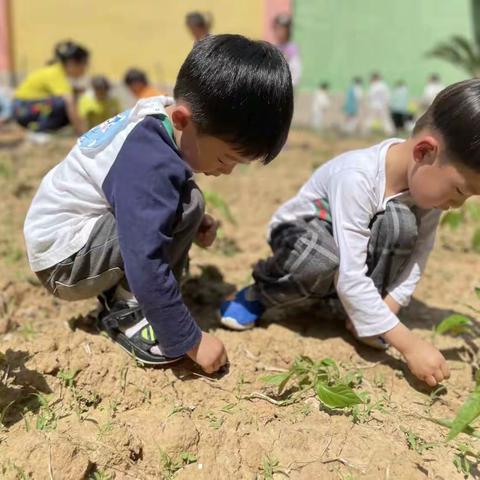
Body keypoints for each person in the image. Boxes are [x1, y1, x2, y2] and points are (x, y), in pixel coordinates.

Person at [23, 34, 293, 374]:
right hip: (64, 263)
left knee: (187, 203)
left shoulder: (161, 118)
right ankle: (128, 310)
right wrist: (190, 339)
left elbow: (150, 199)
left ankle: (127, 294)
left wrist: (192, 221)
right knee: (181, 207)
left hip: (73, 238)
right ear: (183, 120)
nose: (227, 171)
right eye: (227, 158)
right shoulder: (149, 161)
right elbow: (145, 258)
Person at [221, 79, 480, 387]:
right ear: (425, 152)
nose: (457, 204)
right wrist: (408, 343)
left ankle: (357, 314)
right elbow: (350, 276)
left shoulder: (428, 195)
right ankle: (259, 292)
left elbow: (418, 256)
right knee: (322, 258)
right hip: (302, 237)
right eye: (460, 190)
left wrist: (388, 311)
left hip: (346, 255)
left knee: (401, 224)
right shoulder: (358, 176)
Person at [12, 40, 89, 136]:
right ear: (72, 63)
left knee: (71, 100)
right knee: (64, 103)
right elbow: (69, 102)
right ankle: (38, 130)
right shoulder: (56, 73)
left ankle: (43, 129)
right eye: (84, 65)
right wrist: (82, 134)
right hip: (22, 109)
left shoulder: (57, 71)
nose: (84, 69)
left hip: (26, 107)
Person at [272, 13, 301, 87]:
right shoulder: (273, 47)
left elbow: (296, 71)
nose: (280, 32)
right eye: (277, 29)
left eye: (283, 29)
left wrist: (288, 85)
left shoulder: (292, 48)